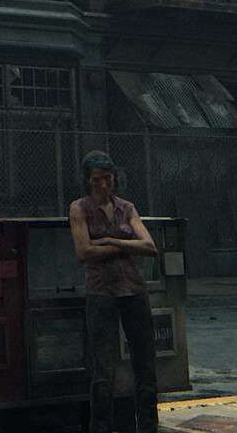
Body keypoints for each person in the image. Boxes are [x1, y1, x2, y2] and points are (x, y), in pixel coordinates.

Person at [69, 150, 161, 433]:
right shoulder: (80, 209)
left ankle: (148, 426)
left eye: (107, 179)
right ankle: (101, 427)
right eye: (97, 179)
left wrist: (111, 241)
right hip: (102, 292)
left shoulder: (126, 208)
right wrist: (126, 245)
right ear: (88, 180)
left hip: (133, 289)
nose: (103, 185)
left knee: (145, 363)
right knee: (103, 368)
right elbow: (84, 252)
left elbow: (150, 246)